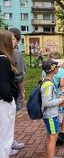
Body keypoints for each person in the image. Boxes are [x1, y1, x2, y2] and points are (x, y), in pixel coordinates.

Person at [43, 51, 64, 144]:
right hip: (58, 96)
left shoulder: (44, 71)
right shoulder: (60, 71)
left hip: (48, 95)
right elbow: (62, 84)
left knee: (53, 115)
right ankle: (62, 133)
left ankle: (54, 133)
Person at [41, 60, 64, 158]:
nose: (58, 68)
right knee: (53, 137)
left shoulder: (48, 81)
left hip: (51, 113)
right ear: (53, 69)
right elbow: (46, 102)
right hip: (50, 115)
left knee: (50, 135)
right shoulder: (48, 84)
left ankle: (49, 156)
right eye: (57, 67)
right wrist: (60, 100)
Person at [0, 30, 19, 158]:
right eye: (12, 39)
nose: (15, 41)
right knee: (5, 138)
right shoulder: (3, 60)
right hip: (3, 103)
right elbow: (3, 85)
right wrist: (10, 98)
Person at [8, 28, 26, 156]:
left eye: (14, 39)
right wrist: (23, 90)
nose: (13, 41)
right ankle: (7, 145)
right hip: (12, 90)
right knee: (9, 118)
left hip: (6, 89)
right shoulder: (15, 53)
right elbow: (19, 74)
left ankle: (9, 142)